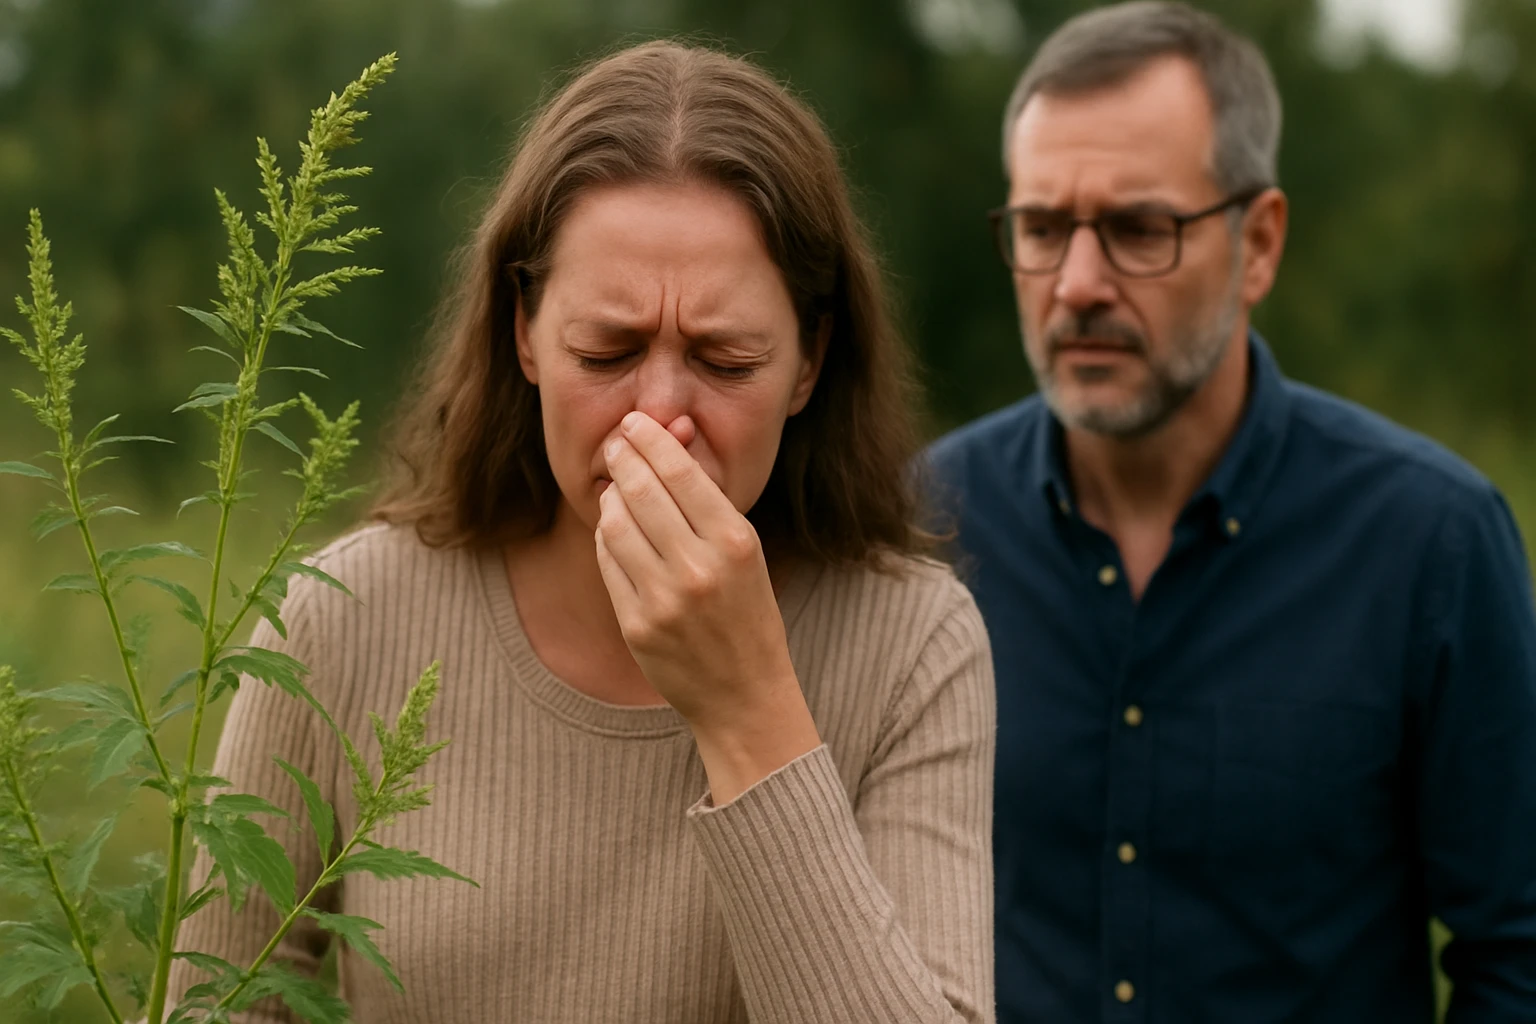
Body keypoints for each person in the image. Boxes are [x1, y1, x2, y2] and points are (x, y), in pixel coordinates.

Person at [171, 41, 995, 1024]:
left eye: (725, 360)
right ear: (524, 330)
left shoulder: (913, 649)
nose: (657, 418)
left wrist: (749, 715)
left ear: (811, 361)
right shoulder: (337, 622)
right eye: (607, 351)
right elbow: (216, 1003)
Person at [925, 2, 1536, 1021]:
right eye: (1040, 229)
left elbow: (1517, 952)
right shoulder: (926, 529)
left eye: (1136, 230)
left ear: (1258, 242)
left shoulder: (1431, 543)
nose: (1077, 284)